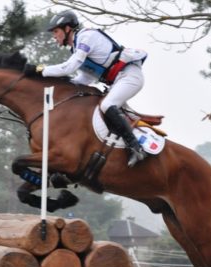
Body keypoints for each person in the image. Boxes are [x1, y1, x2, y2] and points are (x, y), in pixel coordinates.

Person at [23, 10, 149, 167]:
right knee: (99, 109)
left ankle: (136, 148)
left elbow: (69, 67)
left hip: (130, 76)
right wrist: (61, 84)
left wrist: (40, 70)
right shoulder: (76, 48)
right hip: (119, 81)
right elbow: (84, 79)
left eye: (56, 31)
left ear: (67, 29)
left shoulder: (86, 37)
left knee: (107, 105)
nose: (54, 36)